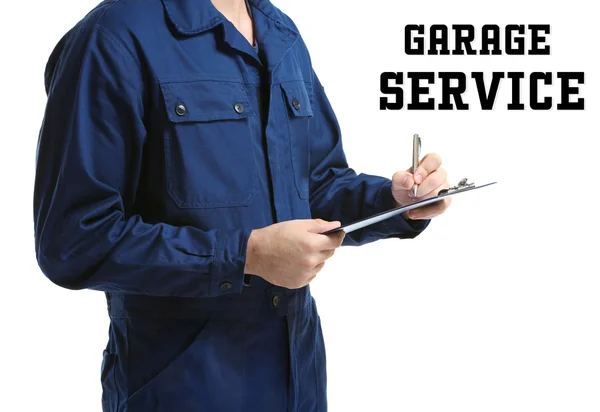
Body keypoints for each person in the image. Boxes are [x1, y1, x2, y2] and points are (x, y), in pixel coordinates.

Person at [33, 0, 452, 411]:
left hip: (298, 380)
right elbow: (73, 239)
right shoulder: (113, 37)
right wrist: (245, 256)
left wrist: (396, 200)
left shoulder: (280, 33)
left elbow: (317, 184)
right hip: (183, 389)